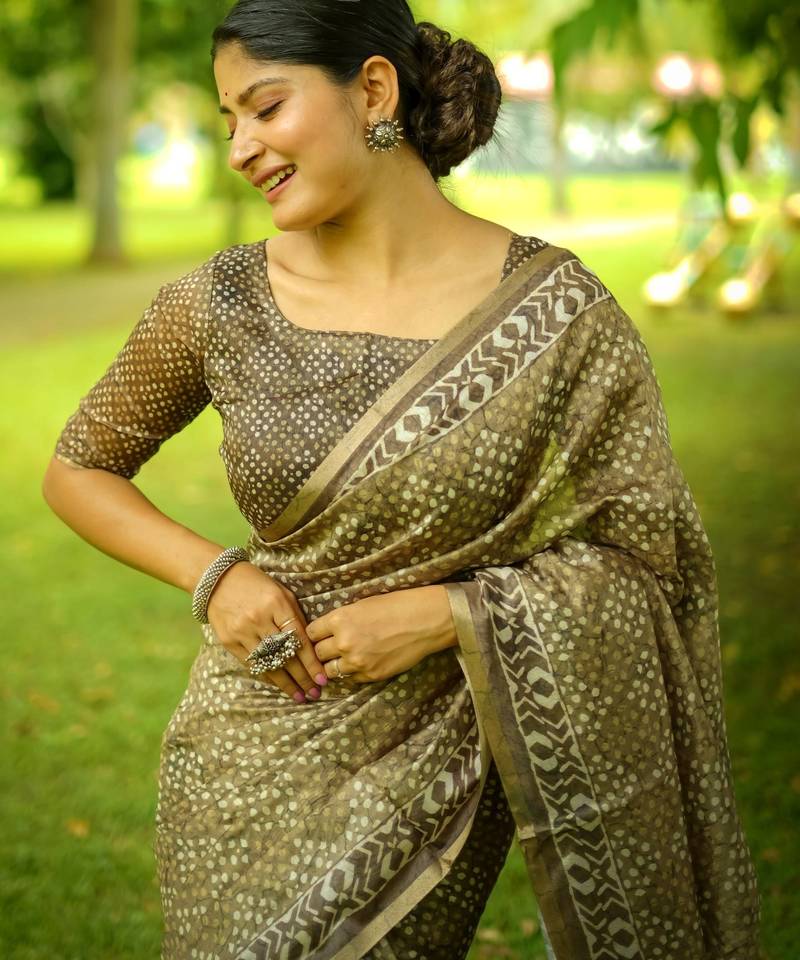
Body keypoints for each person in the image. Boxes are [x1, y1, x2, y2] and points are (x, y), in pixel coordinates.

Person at [42, 1, 761, 958]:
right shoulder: (220, 303)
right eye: (229, 122)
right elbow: (78, 467)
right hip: (248, 753)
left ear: (374, 90)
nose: (240, 148)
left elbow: (648, 561)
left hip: (437, 763)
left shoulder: (558, 317)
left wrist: (451, 615)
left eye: (266, 108)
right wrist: (217, 578)